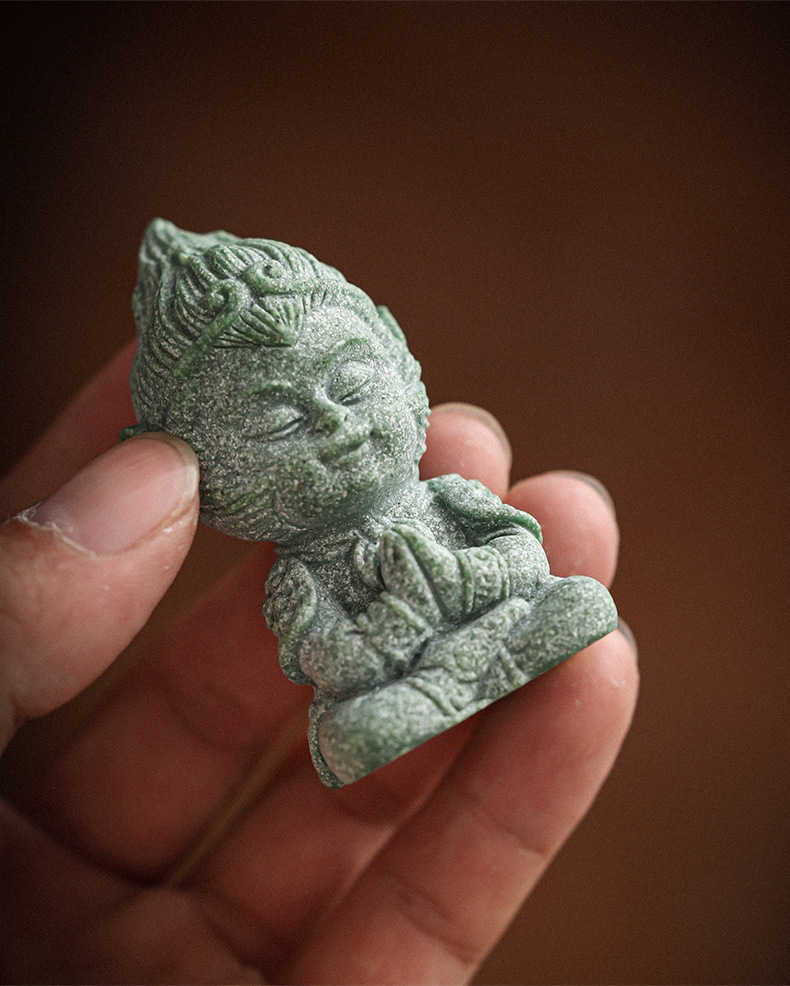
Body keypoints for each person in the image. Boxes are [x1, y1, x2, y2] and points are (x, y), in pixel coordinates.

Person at [0, 341, 638, 983]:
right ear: (232, 486)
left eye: (351, 386)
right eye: (281, 423)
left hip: (488, 619)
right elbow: (333, 663)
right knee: (353, 734)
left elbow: (522, 552)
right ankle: (455, 677)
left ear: (398, 374)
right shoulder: (300, 580)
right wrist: (405, 615)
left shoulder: (446, 497)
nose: (334, 422)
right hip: (396, 678)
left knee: (578, 598)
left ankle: (455, 676)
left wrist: (466, 577)